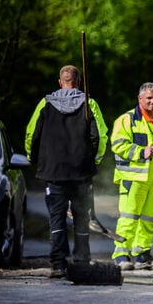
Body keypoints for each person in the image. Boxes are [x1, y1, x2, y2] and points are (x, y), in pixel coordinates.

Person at [25, 65, 108, 278]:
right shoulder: (89, 104)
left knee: (57, 219)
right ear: (78, 82)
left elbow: (32, 134)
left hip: (53, 172)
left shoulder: (45, 103)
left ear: (60, 82)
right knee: (81, 218)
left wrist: (34, 159)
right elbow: (100, 136)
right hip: (81, 171)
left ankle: (58, 265)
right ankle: (82, 261)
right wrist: (93, 161)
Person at [109, 83, 153, 271]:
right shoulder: (127, 120)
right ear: (140, 99)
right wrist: (140, 152)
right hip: (133, 178)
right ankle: (121, 255)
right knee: (129, 217)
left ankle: (142, 255)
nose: (152, 101)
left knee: (149, 219)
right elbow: (117, 144)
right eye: (148, 98)